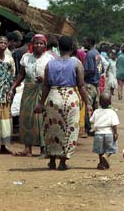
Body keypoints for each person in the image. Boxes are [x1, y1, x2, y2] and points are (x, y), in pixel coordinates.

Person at [33, 35, 92, 171]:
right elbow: (81, 85)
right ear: (72, 48)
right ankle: (63, 161)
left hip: (53, 98)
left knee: (52, 128)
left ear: (58, 48)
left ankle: (52, 160)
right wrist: (88, 103)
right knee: (69, 129)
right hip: (70, 98)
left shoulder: (50, 64)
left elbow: (46, 86)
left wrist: (41, 104)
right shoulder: (76, 63)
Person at [8, 34, 54, 157]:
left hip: (43, 90)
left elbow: (53, 77)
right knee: (26, 118)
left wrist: (45, 78)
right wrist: (12, 88)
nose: (38, 45)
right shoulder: (26, 57)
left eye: (41, 43)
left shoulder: (49, 59)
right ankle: (27, 148)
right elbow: (21, 75)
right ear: (32, 44)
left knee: (42, 119)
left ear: (45, 45)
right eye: (36, 43)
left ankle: (44, 149)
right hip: (28, 90)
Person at [90, 91, 119, 170]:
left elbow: (91, 121)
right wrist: (115, 133)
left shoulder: (96, 111)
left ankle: (101, 163)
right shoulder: (112, 112)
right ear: (110, 102)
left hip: (98, 134)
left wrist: (90, 113)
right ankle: (106, 156)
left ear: (99, 102)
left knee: (100, 150)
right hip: (109, 133)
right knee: (111, 148)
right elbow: (114, 124)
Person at [83, 37, 101, 136]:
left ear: (89, 42)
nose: (83, 43)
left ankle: (87, 129)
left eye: (85, 41)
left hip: (89, 84)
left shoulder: (90, 54)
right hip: (96, 83)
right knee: (95, 107)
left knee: (88, 106)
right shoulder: (97, 53)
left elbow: (90, 70)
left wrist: (81, 77)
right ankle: (96, 128)